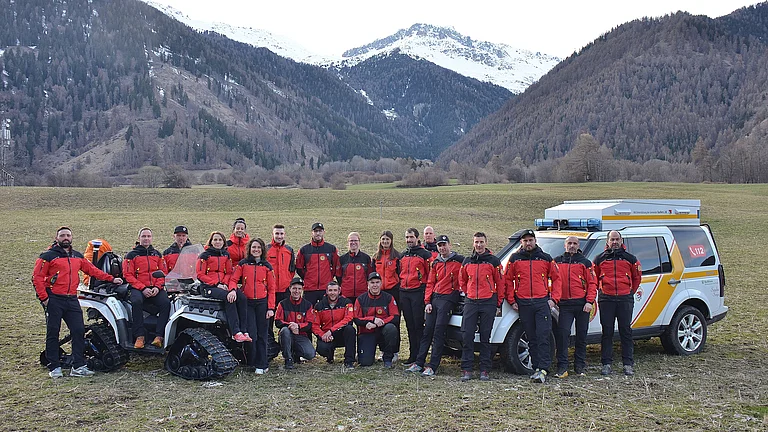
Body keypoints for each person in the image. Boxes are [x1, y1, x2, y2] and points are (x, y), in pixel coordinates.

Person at [33, 227, 123, 378]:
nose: (65, 238)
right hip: (54, 299)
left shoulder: (77, 256)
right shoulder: (48, 256)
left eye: (68, 235)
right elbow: (37, 277)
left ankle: (78, 366)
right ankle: (54, 367)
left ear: (71, 238)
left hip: (72, 299)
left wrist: (111, 279)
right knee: (53, 332)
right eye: (62, 235)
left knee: (78, 331)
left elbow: (93, 270)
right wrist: (44, 298)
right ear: (57, 238)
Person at [505, 229, 561, 384]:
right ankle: (536, 368)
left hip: (541, 303)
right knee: (531, 338)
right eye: (525, 241)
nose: (528, 243)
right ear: (521, 243)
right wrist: (511, 300)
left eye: (530, 240)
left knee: (543, 335)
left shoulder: (545, 258)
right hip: (523, 304)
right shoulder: (515, 258)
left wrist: (554, 299)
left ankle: (543, 369)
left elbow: (557, 279)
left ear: (535, 241)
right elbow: (507, 280)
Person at [406, 235, 464, 376]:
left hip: (449, 298)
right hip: (435, 298)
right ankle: (419, 363)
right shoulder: (436, 262)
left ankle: (432, 366)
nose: (442, 248)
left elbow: (464, 277)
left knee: (439, 331)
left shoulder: (459, 261)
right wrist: (427, 302)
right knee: (427, 332)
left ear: (449, 245)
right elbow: (430, 283)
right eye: (439, 245)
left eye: (444, 245)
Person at [459, 232, 506, 382]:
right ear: (473, 243)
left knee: (486, 337)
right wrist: (469, 293)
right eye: (476, 242)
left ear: (486, 243)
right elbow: (462, 280)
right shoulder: (467, 261)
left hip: (488, 302)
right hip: (471, 302)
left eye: (481, 242)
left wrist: (498, 302)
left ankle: (484, 369)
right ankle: (467, 369)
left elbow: (500, 283)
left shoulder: (493, 261)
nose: (479, 245)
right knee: (467, 336)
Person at [594, 230, 641, 376]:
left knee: (625, 331)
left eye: (617, 239)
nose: (615, 242)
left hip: (624, 298)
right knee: (607, 332)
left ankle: (628, 364)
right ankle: (606, 364)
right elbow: (594, 277)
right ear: (607, 242)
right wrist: (602, 290)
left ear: (621, 241)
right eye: (612, 240)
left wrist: (629, 291)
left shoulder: (630, 259)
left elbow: (637, 277)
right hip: (606, 299)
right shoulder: (599, 259)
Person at [553, 236, 597, 378]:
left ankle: (580, 366)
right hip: (564, 305)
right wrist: (554, 299)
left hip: (582, 304)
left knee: (581, 336)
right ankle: (562, 367)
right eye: (569, 243)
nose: (572, 246)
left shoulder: (585, 262)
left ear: (578, 245)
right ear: (565, 245)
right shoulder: (557, 261)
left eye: (574, 243)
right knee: (563, 336)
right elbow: (551, 281)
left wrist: (589, 301)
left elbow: (592, 283)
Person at [230, 237, 276, 374]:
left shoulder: (267, 266)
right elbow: (233, 279)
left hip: (262, 303)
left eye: (258, 248)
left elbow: (272, 289)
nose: (256, 250)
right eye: (253, 247)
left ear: (262, 250)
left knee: (263, 335)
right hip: (248, 304)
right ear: (249, 249)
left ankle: (262, 364)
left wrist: (270, 308)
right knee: (252, 335)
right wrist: (232, 290)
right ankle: (252, 361)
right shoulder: (243, 264)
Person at [197, 231, 250, 343]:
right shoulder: (204, 256)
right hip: (209, 287)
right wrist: (216, 284)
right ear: (211, 241)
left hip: (224, 285)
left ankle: (244, 330)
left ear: (224, 242)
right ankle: (235, 332)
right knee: (229, 298)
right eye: (215, 240)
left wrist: (228, 286)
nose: (217, 242)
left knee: (242, 298)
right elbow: (200, 274)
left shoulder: (226, 255)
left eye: (220, 240)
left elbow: (229, 273)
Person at [123, 227, 171, 349]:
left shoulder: (157, 255)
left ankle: (159, 336)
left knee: (166, 303)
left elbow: (163, 273)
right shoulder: (131, 255)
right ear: (138, 238)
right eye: (144, 236)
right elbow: (128, 275)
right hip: (138, 288)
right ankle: (139, 336)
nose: (146, 239)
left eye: (148, 236)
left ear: (152, 238)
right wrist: (143, 288)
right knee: (136, 301)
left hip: (155, 288)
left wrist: (157, 287)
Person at [398, 228, 433, 366]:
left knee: (418, 325)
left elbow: (430, 274)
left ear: (417, 238)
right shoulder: (403, 255)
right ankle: (412, 355)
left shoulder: (425, 254)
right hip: (404, 292)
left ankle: (420, 356)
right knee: (409, 325)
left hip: (418, 292)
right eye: (407, 237)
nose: (409, 240)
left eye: (411, 237)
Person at [354, 272, 400, 368]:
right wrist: (372, 319)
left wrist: (379, 323)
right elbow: (356, 319)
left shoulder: (388, 297)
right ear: (368, 284)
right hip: (367, 332)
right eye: (372, 282)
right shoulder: (360, 299)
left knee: (391, 328)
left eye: (377, 282)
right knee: (365, 362)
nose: (375, 285)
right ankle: (365, 353)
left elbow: (395, 316)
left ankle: (387, 358)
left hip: (383, 331)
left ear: (381, 283)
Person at [265, 224, 295, 358]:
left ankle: (290, 352)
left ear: (285, 235)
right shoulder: (266, 249)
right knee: (268, 322)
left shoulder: (289, 250)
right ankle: (269, 350)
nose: (279, 236)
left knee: (286, 321)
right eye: (277, 233)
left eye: (281, 234)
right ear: (273, 234)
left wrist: (287, 280)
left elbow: (292, 269)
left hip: (284, 291)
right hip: (269, 292)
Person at [275, 277, 317, 369]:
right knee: (285, 331)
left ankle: (295, 354)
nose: (296, 291)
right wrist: (291, 326)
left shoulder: (308, 305)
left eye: (299, 289)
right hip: (287, 334)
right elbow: (278, 321)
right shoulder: (282, 304)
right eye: (294, 288)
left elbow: (310, 323)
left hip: (301, 334)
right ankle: (288, 359)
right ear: (290, 289)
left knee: (310, 354)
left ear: (302, 290)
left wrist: (298, 326)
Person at [313, 280, 356, 368]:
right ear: (327, 291)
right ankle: (329, 356)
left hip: (342, 334)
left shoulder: (346, 302)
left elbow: (348, 318)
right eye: (330, 290)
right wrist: (323, 335)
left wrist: (331, 331)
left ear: (339, 291)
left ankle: (349, 361)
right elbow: (315, 325)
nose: (333, 293)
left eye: (335, 290)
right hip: (327, 336)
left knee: (350, 330)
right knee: (322, 349)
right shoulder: (319, 305)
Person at [296, 222, 341, 306]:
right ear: (312, 233)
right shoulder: (304, 250)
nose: (318, 233)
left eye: (320, 231)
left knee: (325, 313)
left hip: (325, 288)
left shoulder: (331, 249)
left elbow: (336, 266)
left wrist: (329, 277)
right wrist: (307, 277)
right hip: (310, 288)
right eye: (315, 231)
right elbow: (299, 267)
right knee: (309, 313)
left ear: (323, 232)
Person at [339, 232, 373, 302]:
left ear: (359, 242)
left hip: (362, 294)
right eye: (351, 241)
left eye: (355, 240)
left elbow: (369, 275)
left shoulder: (366, 258)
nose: (353, 242)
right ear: (347, 242)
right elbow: (339, 276)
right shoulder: (342, 259)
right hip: (346, 295)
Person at [372, 230, 401, 307]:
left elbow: (400, 273)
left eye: (387, 239)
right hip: (379, 290)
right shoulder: (376, 257)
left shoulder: (397, 256)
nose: (385, 241)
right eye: (383, 239)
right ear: (380, 240)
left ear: (391, 241)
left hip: (393, 290)